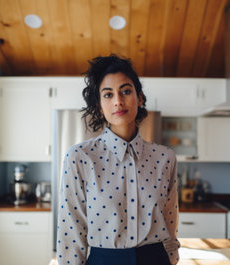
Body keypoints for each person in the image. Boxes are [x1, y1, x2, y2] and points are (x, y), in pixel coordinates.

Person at [56, 54, 180, 265]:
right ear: (98, 106)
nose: (118, 101)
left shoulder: (164, 157)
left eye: (125, 91)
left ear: (139, 98)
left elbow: (170, 219)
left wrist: (171, 257)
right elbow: (71, 231)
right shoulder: (79, 158)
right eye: (107, 94)